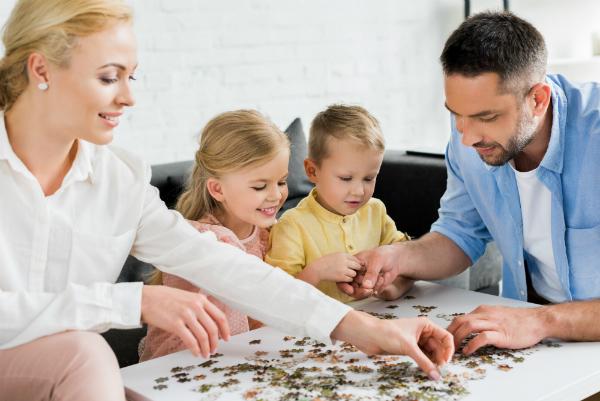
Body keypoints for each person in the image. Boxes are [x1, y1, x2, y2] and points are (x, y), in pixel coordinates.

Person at [0, 1, 454, 399]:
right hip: (64, 362)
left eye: (131, 76)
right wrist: (130, 301)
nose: (129, 96)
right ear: (41, 70)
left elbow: (225, 266)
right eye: (108, 77)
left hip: (59, 375)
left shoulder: (118, 178)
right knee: (85, 352)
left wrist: (369, 331)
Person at [348, 11, 600, 355]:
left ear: (538, 100)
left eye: (487, 117)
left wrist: (543, 321)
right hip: (527, 344)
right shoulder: (472, 138)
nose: (466, 138)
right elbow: (460, 234)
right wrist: (399, 258)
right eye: (455, 114)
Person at [140, 110, 288, 361]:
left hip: (249, 354)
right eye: (260, 186)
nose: (275, 195)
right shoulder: (200, 242)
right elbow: (262, 308)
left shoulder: (271, 233)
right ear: (218, 189)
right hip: (190, 360)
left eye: (282, 182)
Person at [266, 104, 414, 302]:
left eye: (369, 178)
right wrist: (317, 271)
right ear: (312, 171)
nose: (359, 191)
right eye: (345, 178)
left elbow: (406, 262)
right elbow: (277, 299)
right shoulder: (291, 225)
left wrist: (388, 288)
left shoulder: (375, 210)